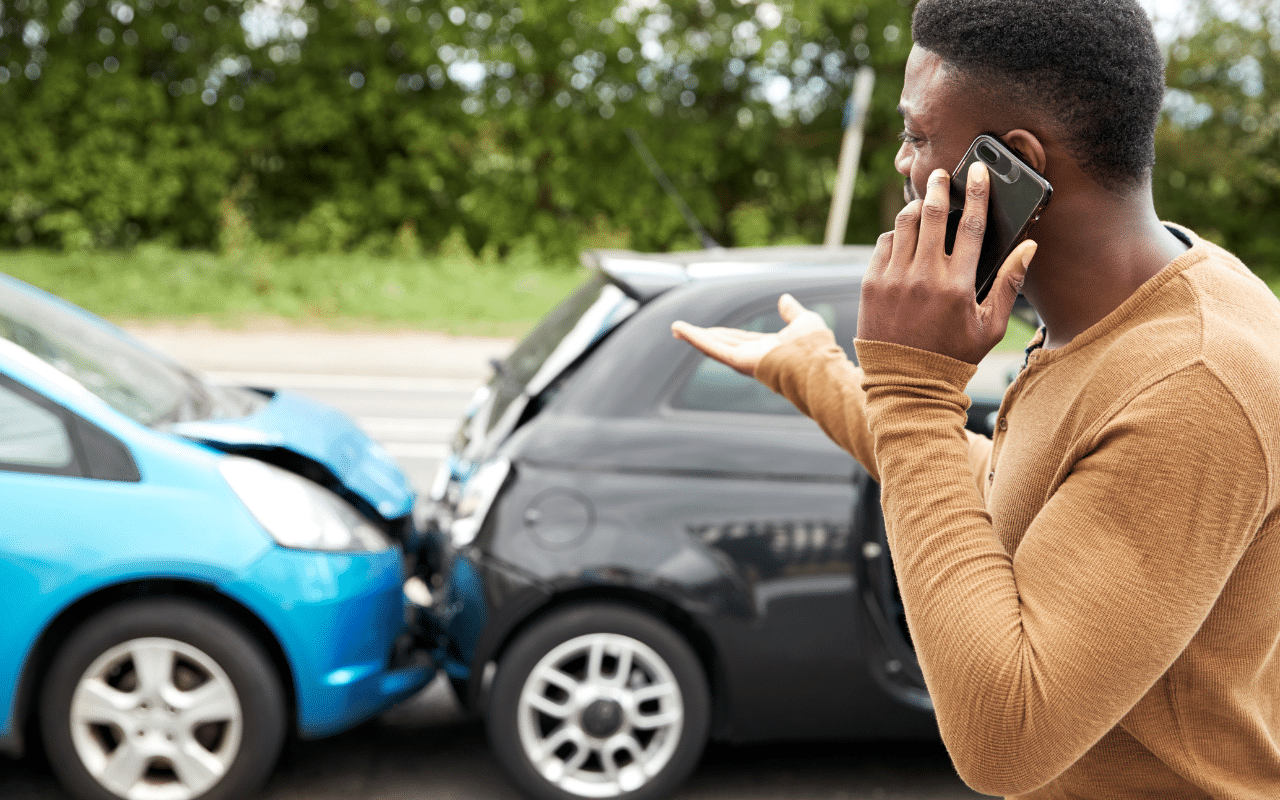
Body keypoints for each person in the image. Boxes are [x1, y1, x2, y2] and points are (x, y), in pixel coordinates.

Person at [673, 0, 1280, 797]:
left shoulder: (1194, 381)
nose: (901, 161)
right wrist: (821, 375)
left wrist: (915, 392)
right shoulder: (1153, 299)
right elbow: (1025, 493)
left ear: (1011, 161)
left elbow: (1007, 738)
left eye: (919, 134)